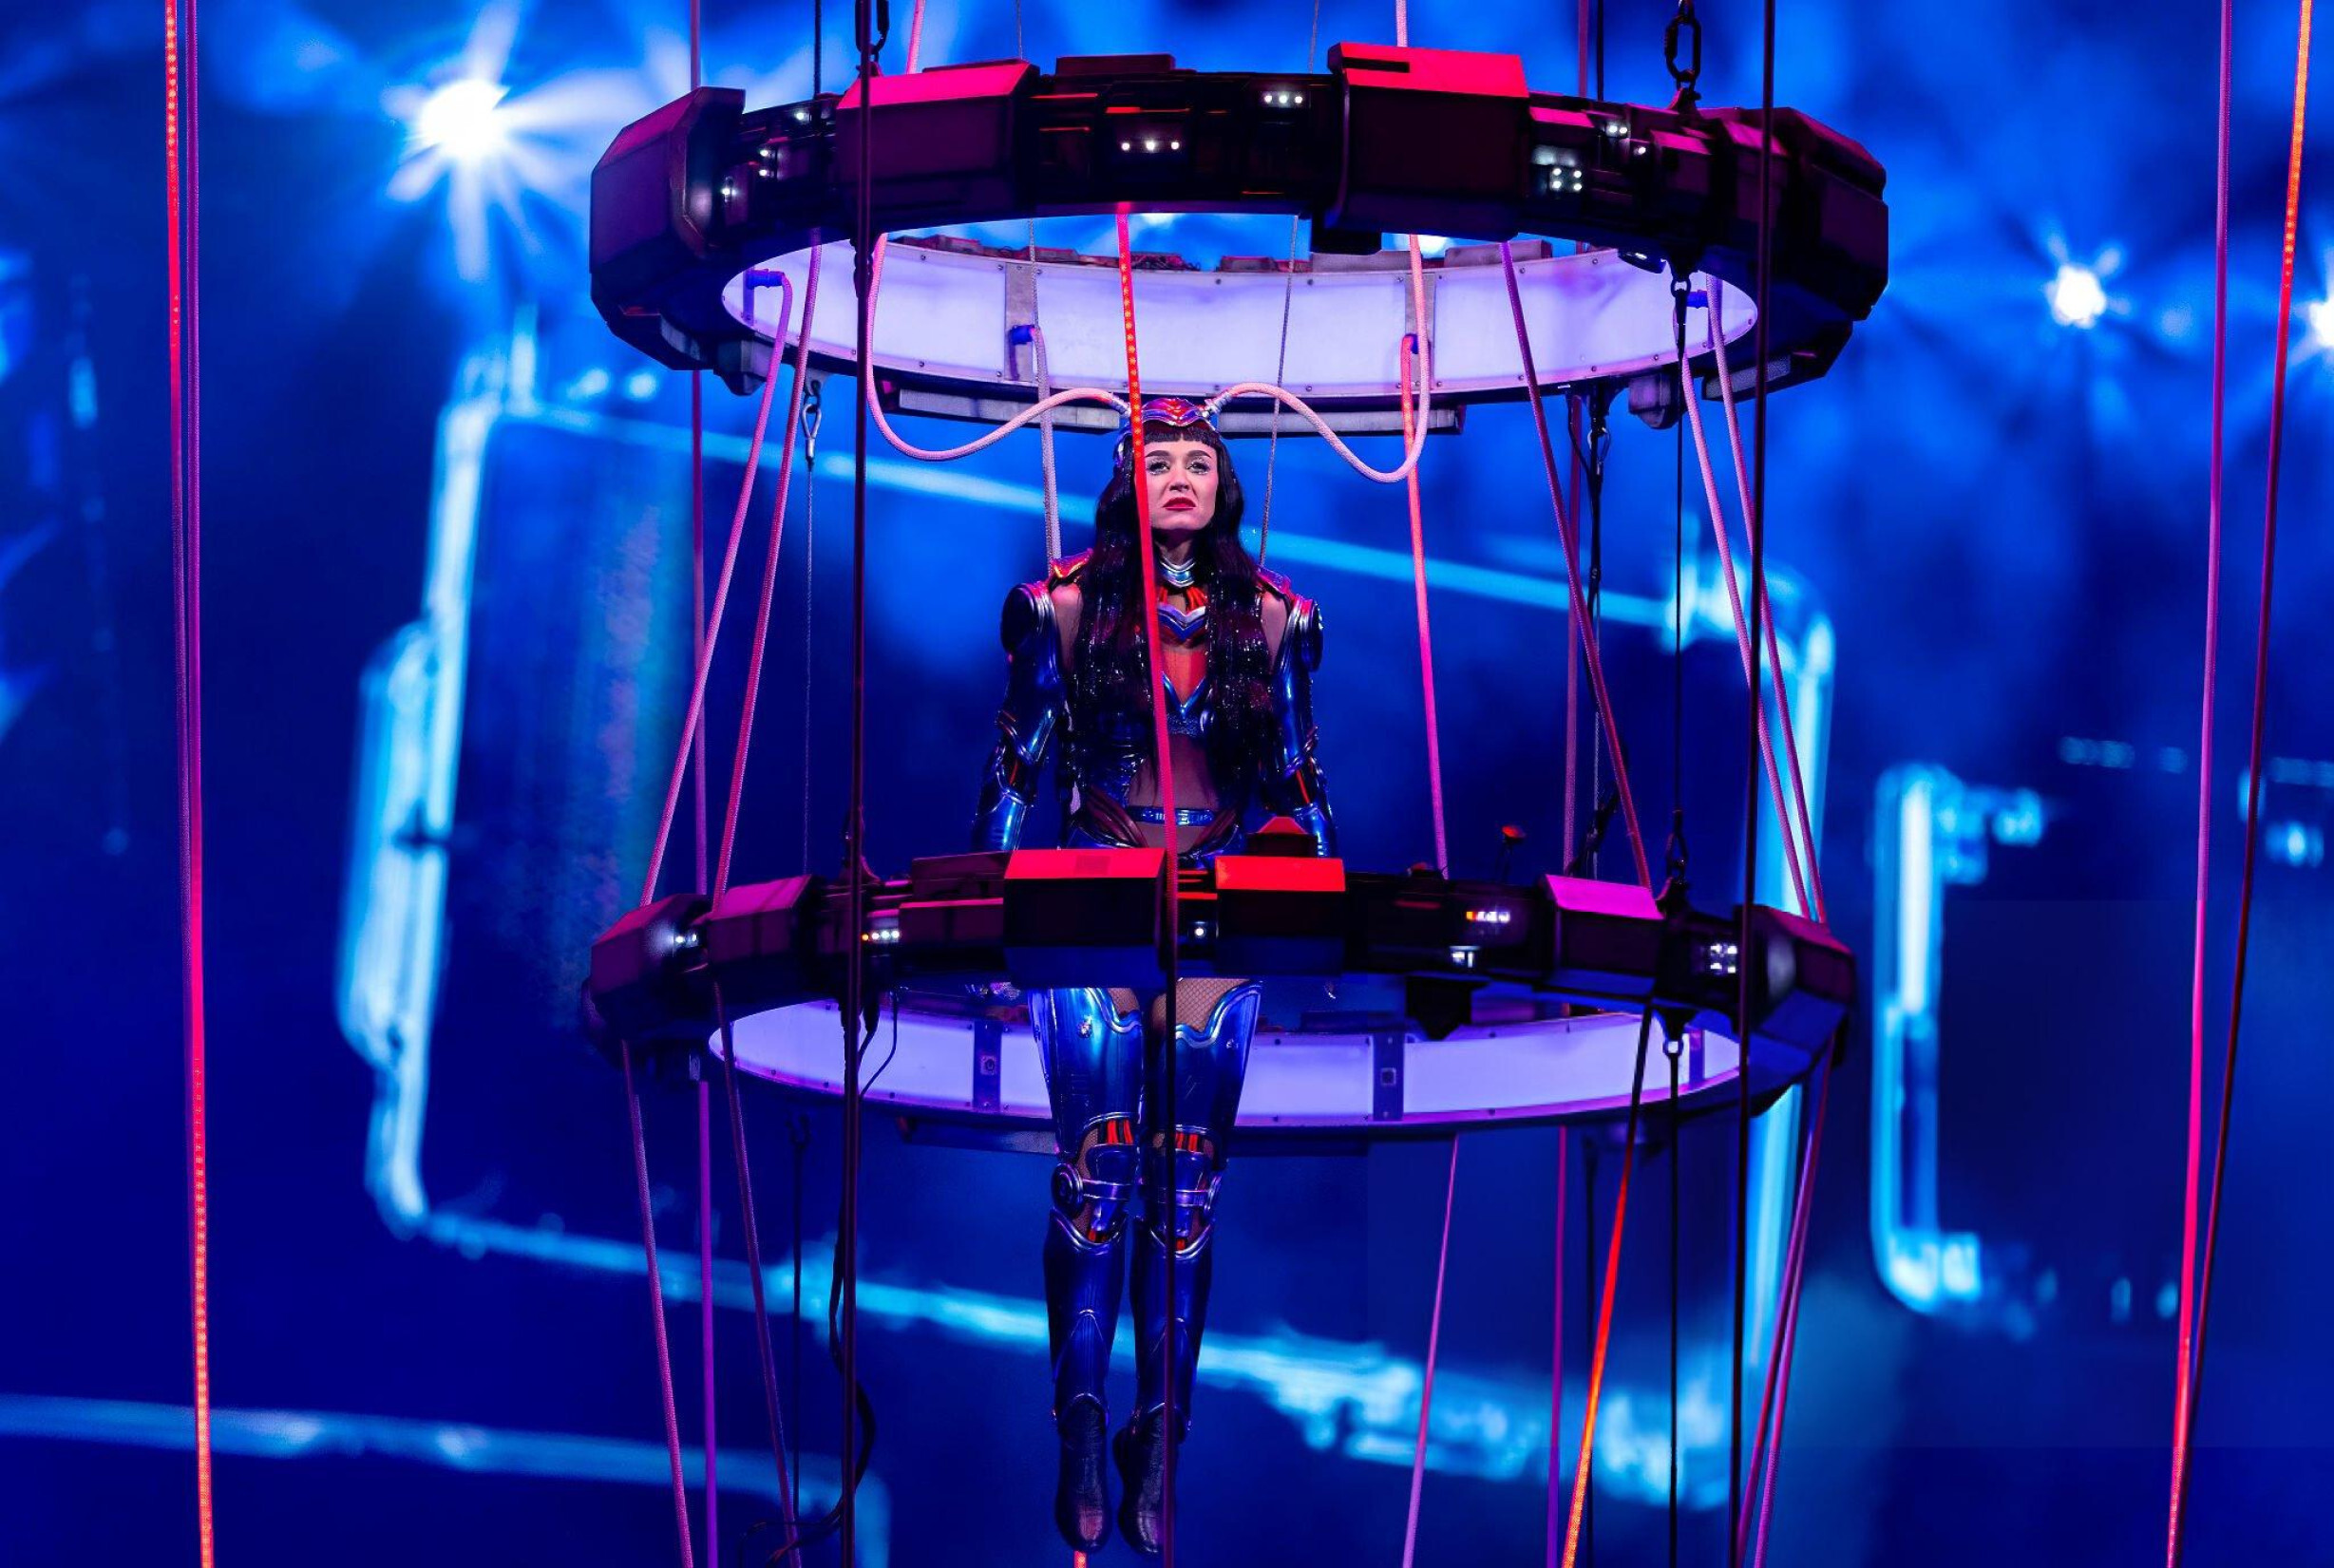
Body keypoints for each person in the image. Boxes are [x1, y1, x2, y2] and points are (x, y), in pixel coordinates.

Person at [969, 396, 1336, 1553]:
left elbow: (1299, 774)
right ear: (1128, 483)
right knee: (1099, 1178)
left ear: (1225, 485)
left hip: (1221, 904)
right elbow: (1015, 764)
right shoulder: (1063, 604)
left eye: (1197, 461)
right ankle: (1081, 1423)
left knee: (1186, 1195)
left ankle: (1162, 1433)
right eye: (1157, 459)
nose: (1179, 475)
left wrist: (1331, 907)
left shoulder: (1275, 618)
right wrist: (980, 917)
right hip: (1092, 887)